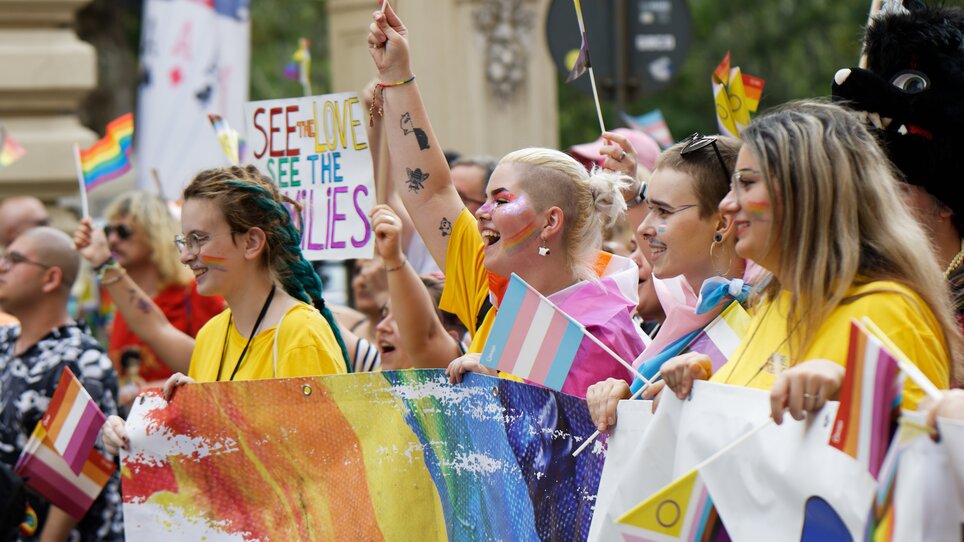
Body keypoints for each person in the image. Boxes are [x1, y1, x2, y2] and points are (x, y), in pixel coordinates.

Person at [367, 5, 644, 397]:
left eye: (501, 200)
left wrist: (503, 381)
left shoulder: (603, 333)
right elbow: (431, 193)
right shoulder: (490, 286)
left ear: (551, 222)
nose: (480, 212)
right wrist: (396, 75)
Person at [658, 100, 960, 416]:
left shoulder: (889, 313)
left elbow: (915, 453)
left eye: (747, 183)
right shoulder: (772, 300)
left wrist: (850, 392)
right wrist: (704, 385)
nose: (727, 204)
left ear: (808, 193)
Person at [102, 165, 350, 454]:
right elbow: (208, 461)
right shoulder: (211, 334)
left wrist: (211, 414)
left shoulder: (300, 334)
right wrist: (134, 432)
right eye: (184, 241)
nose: (185, 256)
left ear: (252, 242)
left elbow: (322, 460)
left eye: (199, 239)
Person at [586, 134, 744, 432]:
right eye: (649, 207)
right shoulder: (691, 301)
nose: (644, 228)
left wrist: (701, 397)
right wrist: (627, 398)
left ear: (722, 222)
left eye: (663, 211)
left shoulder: (759, 311)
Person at [0, 227, 122, 540]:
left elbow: (80, 474)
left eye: (14, 259)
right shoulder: (4, 341)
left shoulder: (81, 359)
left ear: (51, 278)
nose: (2, 266)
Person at [97, 192, 224, 398]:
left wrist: (153, 390)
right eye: (108, 231)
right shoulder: (123, 303)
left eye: (123, 231)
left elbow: (219, 369)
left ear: (154, 234)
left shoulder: (195, 292)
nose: (112, 240)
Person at [370, 204, 466, 369]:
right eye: (384, 315)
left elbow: (425, 338)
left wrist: (394, 258)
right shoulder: (372, 368)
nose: (381, 327)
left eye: (401, 320)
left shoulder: (449, 377)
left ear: (451, 338)